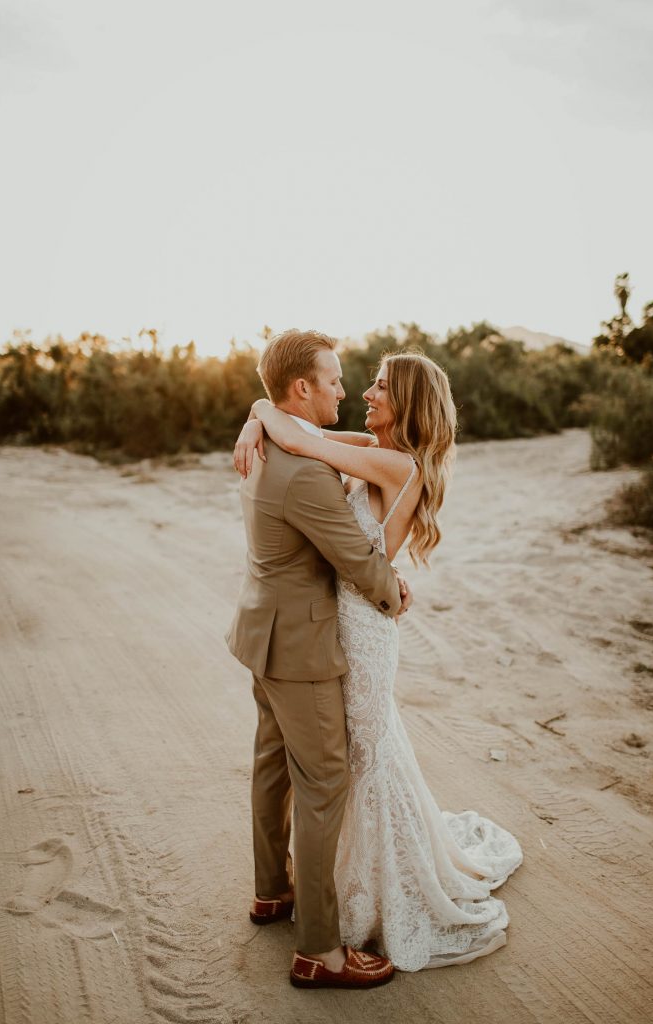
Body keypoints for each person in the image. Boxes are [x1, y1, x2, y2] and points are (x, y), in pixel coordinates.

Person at [233, 343, 524, 972]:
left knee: (357, 760)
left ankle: (352, 895)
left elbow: (305, 439)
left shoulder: (399, 465)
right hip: (331, 622)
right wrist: (261, 409)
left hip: (359, 627)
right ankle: (320, 903)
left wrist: (263, 408)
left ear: (407, 405)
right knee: (339, 766)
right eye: (358, 383)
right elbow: (302, 429)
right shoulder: (373, 453)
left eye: (380, 388)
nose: (364, 394)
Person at [225, 329, 412, 990]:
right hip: (299, 647)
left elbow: (272, 407)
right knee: (324, 780)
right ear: (299, 388)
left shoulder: (276, 439)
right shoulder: (306, 472)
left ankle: (271, 892)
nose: (342, 387)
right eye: (332, 379)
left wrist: (256, 412)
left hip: (261, 633)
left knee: (272, 764)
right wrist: (394, 595)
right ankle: (319, 950)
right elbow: (357, 562)